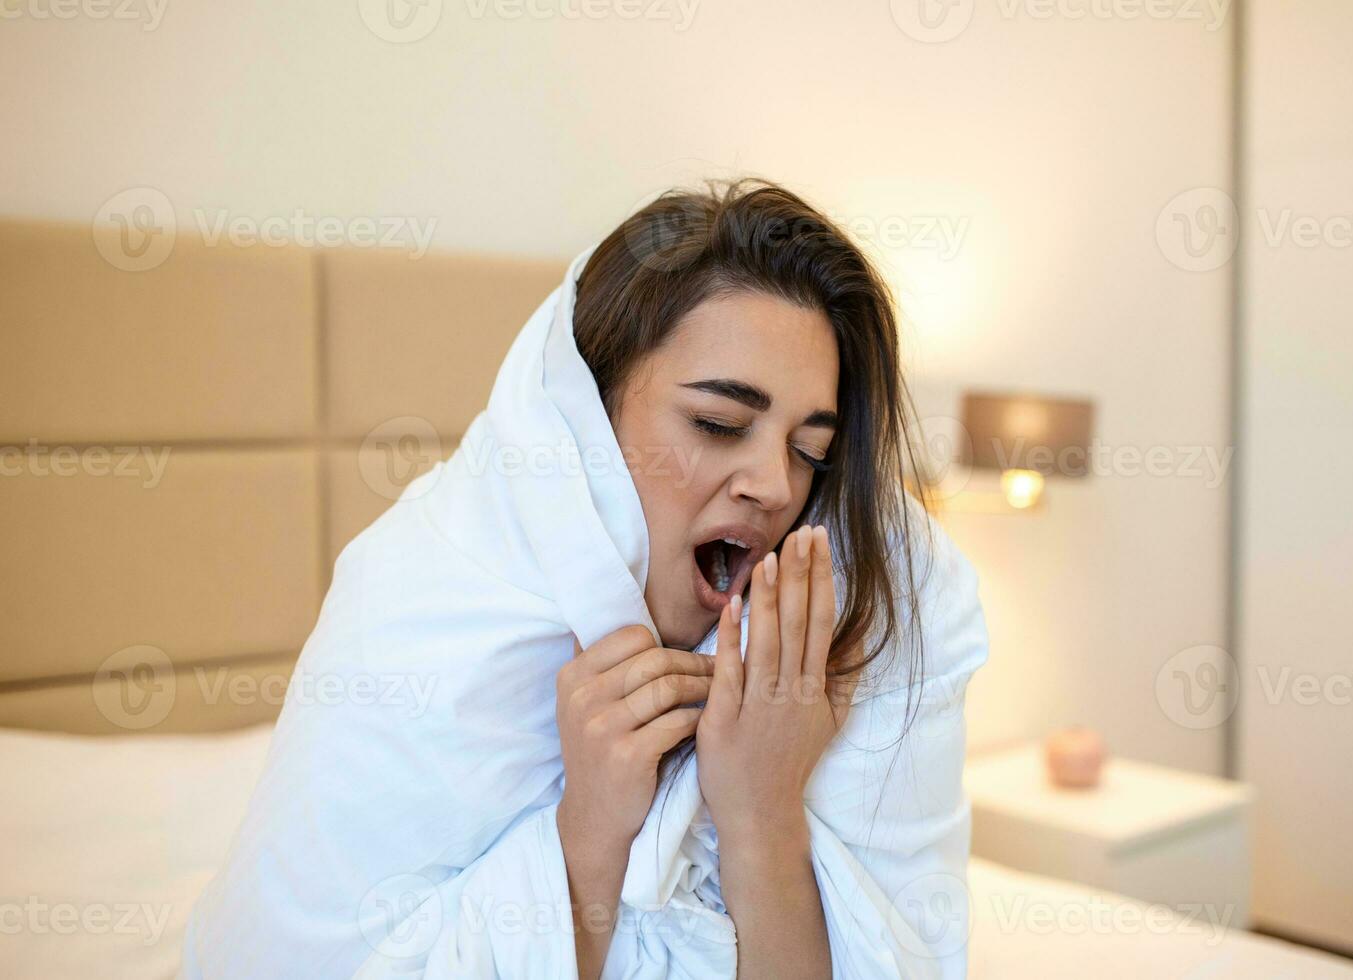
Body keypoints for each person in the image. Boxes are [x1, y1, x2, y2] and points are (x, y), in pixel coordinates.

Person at [182, 178, 990, 979]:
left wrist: (764, 814)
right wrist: (591, 829)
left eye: (809, 450)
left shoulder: (879, 610)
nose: (776, 486)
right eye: (718, 424)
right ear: (583, 423)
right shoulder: (419, 602)